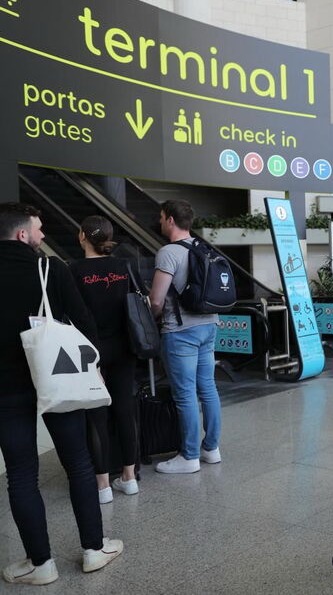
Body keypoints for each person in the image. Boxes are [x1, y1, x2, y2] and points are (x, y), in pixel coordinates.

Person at [0, 203, 123, 585]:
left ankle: (41, 565)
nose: (41, 236)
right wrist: (95, 363)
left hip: (4, 387)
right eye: (37, 230)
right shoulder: (50, 268)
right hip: (57, 377)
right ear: (22, 234)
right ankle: (93, 549)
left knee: (20, 476)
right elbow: (82, 319)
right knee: (79, 464)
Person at [69, 216, 140, 503]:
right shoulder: (124, 266)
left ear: (83, 235)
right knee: (125, 409)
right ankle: (129, 477)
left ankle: (102, 486)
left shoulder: (73, 270)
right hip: (124, 346)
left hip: (90, 350)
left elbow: (70, 313)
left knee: (96, 414)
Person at [148, 200, 222, 474]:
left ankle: (189, 456)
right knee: (208, 388)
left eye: (161, 217)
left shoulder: (168, 252)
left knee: (185, 395)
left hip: (181, 332)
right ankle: (211, 448)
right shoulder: (202, 248)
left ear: (169, 219)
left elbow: (156, 300)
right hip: (209, 326)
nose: (159, 221)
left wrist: (151, 316)